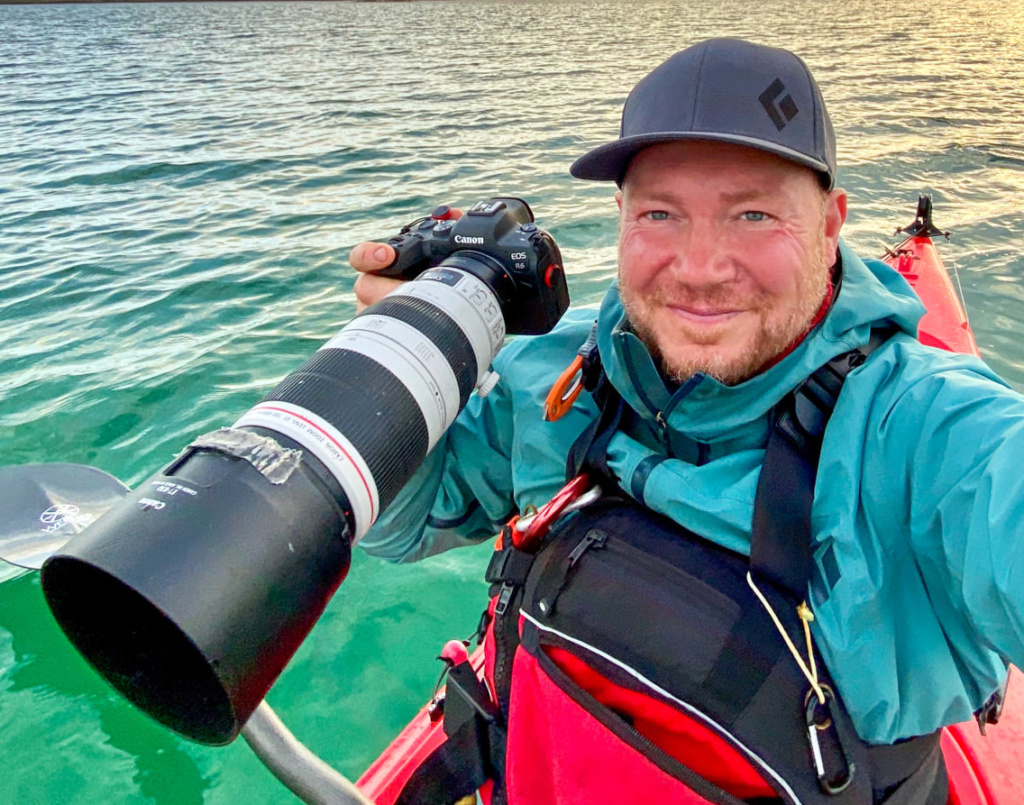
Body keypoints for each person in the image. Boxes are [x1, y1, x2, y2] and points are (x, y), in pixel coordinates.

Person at [348, 38, 1021, 804]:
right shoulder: (561, 375)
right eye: (661, 212)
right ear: (621, 216)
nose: (700, 268)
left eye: (754, 213)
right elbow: (401, 526)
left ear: (832, 223)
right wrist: (407, 354)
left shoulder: (923, 431)